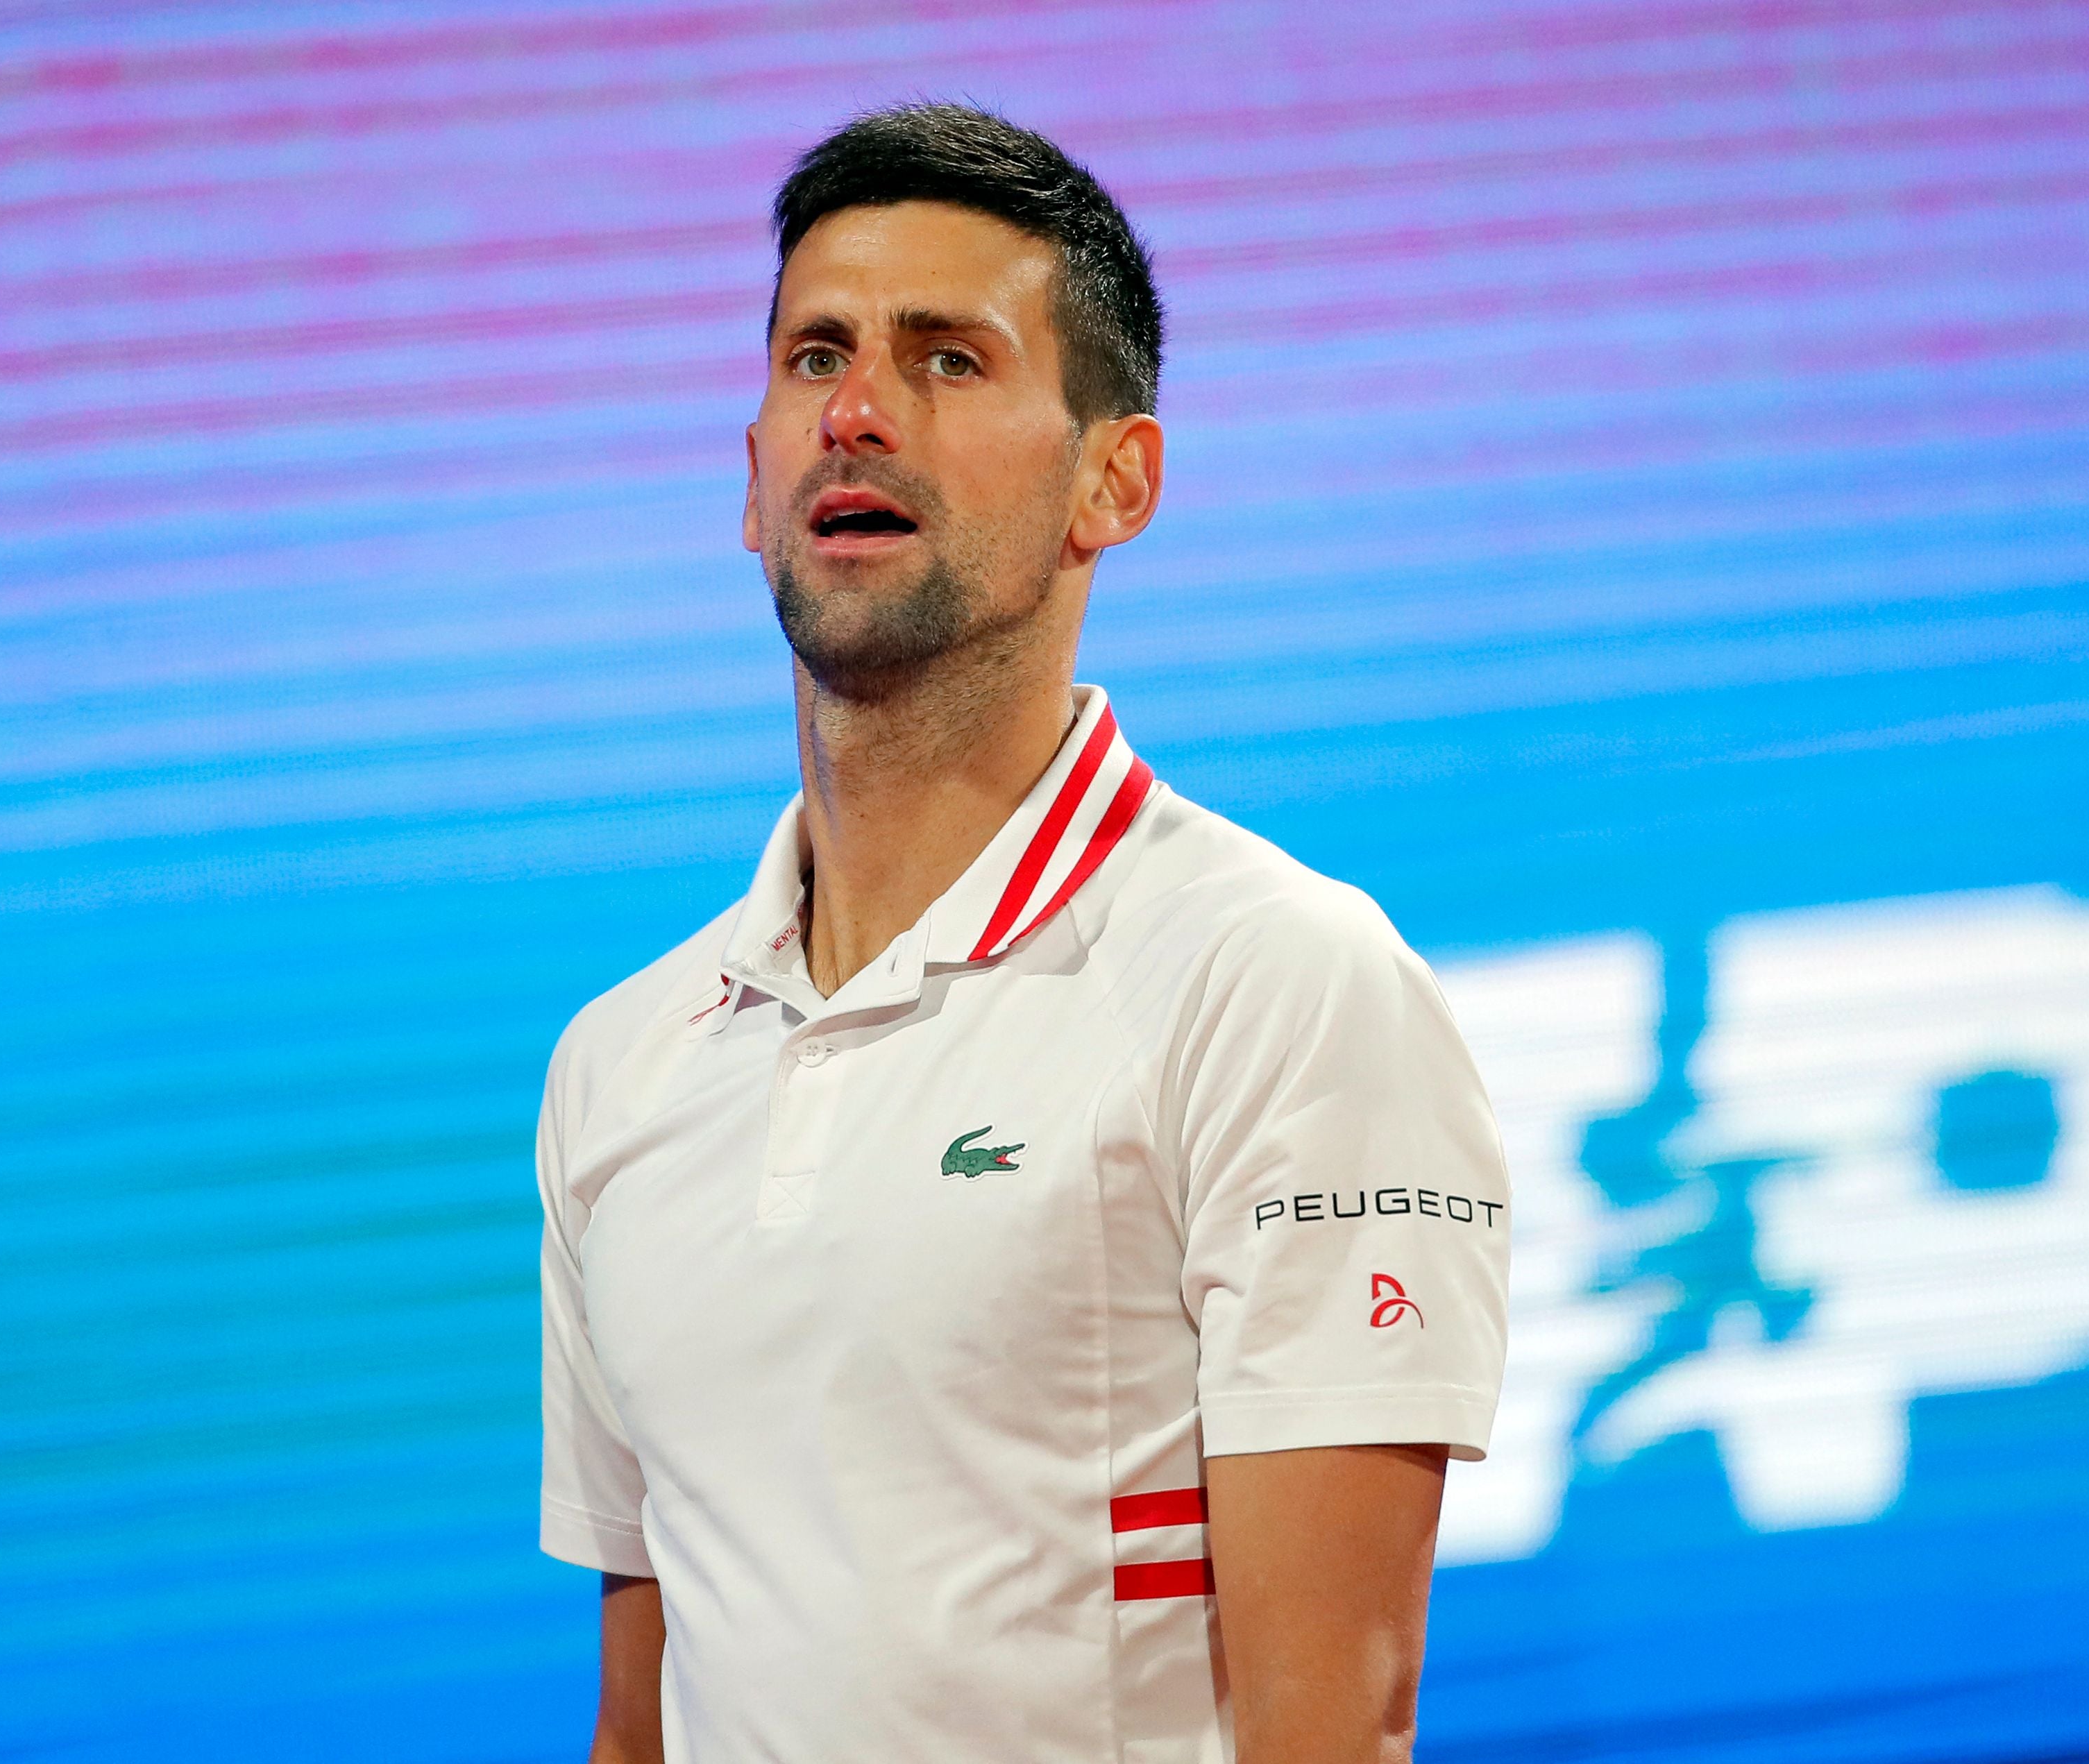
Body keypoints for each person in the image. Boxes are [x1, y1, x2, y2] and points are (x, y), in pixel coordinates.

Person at [536, 103, 1511, 1763]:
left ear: (1112, 479)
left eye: (949, 361)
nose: (856, 412)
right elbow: (646, 1717)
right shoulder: (617, 1065)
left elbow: (1335, 1721)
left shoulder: (1274, 978)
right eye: (814, 357)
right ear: (752, 488)